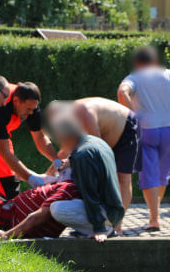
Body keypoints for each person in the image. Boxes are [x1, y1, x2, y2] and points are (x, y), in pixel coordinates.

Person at [117, 46, 170, 231]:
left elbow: (122, 93)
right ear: (155, 61)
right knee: (162, 175)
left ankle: (154, 219)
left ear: (137, 63)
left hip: (147, 129)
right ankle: (155, 214)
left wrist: (134, 115)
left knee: (149, 175)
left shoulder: (134, 77)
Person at [48, 97, 141, 234]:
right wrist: (50, 173)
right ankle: (92, 224)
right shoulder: (71, 118)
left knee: (122, 178)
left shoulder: (86, 112)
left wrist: (72, 162)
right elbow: (68, 147)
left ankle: (115, 226)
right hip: (107, 132)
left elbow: (95, 148)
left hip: (127, 127)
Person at [47, 113, 124, 243]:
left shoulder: (83, 157)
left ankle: (104, 229)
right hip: (114, 209)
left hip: (106, 212)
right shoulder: (95, 141)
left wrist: (99, 228)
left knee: (57, 209)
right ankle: (89, 228)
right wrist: (71, 161)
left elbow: (90, 193)